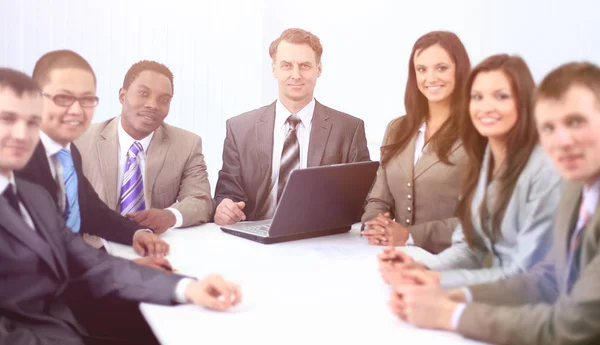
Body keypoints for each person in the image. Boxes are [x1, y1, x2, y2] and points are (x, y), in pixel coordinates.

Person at [0, 67, 241, 345]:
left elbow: (90, 264)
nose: (21, 134)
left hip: (61, 322)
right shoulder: (79, 144)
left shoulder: (33, 198)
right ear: (122, 96)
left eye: (31, 122)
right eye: (7, 119)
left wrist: (189, 288)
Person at [387, 61, 600, 344]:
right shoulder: (577, 187)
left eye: (576, 122)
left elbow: (570, 327)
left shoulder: (552, 173)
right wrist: (443, 288)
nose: (561, 141)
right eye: (548, 127)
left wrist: (450, 313)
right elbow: (545, 279)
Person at [380, 54, 561, 289]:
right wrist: (422, 268)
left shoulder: (546, 170)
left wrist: (436, 281)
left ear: (524, 102)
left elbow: (527, 272)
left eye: (501, 96)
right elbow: (470, 246)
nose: (486, 107)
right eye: (477, 97)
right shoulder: (487, 160)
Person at [16, 50, 169, 263]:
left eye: (87, 99)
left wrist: (137, 233)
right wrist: (124, 272)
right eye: (63, 98)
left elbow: (91, 211)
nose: (77, 110)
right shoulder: (14, 160)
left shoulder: (68, 153)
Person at [213, 28, 370, 225]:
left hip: (320, 236)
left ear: (318, 69)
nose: (296, 75)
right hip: (256, 235)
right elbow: (227, 193)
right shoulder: (240, 129)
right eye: (287, 65)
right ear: (274, 69)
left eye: (304, 66)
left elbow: (363, 198)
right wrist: (224, 207)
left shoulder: (349, 129)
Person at [360, 31, 470, 254]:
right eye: (422, 69)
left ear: (459, 70)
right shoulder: (397, 128)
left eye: (441, 68)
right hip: (391, 256)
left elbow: (480, 221)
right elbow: (379, 198)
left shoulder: (476, 133)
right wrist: (375, 223)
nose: (430, 78)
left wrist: (409, 235)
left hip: (452, 260)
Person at [76, 60, 213, 236]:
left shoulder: (187, 144)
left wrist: (170, 215)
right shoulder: (80, 141)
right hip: (96, 248)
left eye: (163, 100)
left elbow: (201, 200)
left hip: (155, 246)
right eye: (143, 93)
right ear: (122, 95)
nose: (153, 105)